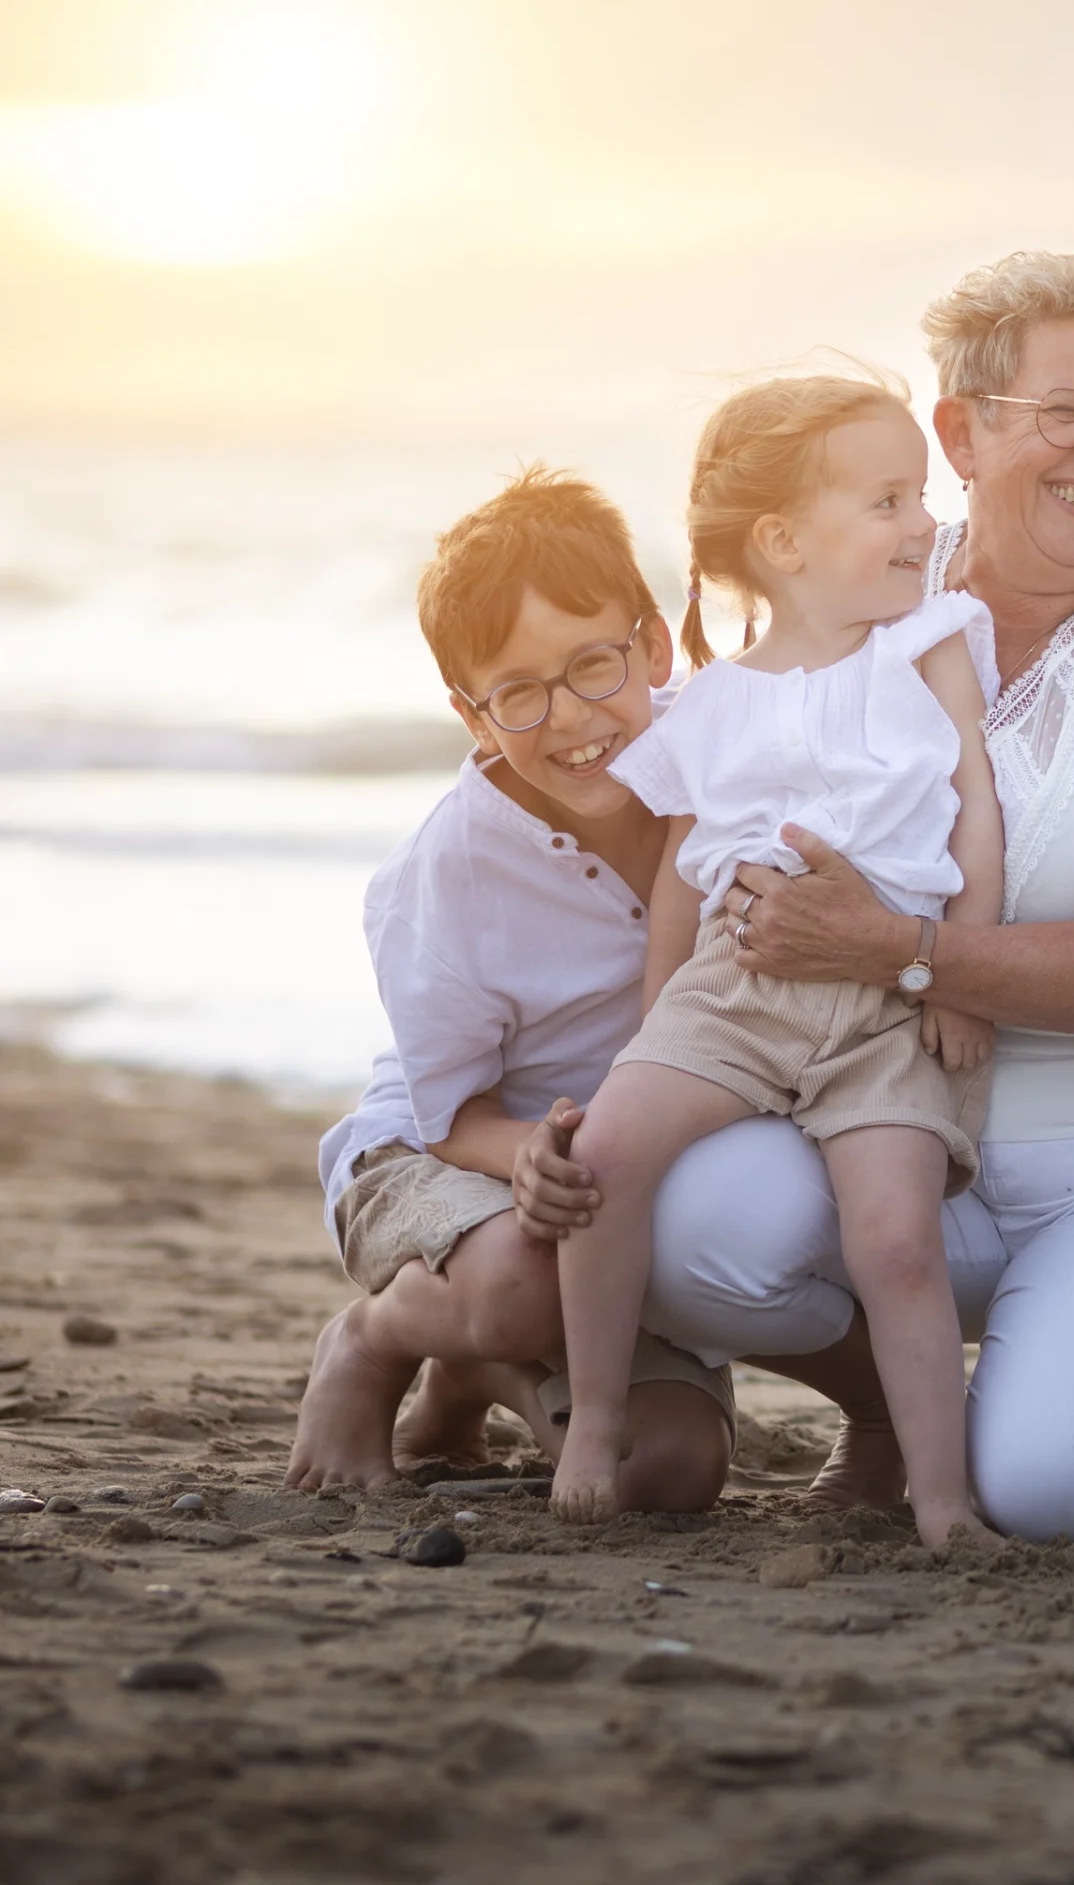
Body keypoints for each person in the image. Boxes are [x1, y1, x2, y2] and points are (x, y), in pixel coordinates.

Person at [637, 253, 1074, 1545]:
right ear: (961, 430)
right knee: (693, 1234)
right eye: (1066, 415)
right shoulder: (864, 592)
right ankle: (904, 1408)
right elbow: (711, 795)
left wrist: (894, 949)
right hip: (893, 1119)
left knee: (1065, 1495)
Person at [549, 377, 1003, 1536]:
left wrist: (962, 971)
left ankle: (940, 1495)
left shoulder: (930, 643)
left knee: (896, 1238)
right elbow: (679, 880)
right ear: (784, 542)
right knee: (605, 1154)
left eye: (925, 496)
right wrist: (658, 1028)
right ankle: (596, 1416)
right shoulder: (708, 705)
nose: (925, 524)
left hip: (890, 1008)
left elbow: (976, 812)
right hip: (734, 991)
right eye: (890, 500)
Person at [285, 470, 732, 1507]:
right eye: (519, 692)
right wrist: (525, 1155)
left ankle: (475, 1372)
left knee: (668, 1473)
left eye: (593, 665)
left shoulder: (726, 761)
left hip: (605, 1174)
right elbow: (448, 1115)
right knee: (522, 1281)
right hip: (437, 1151)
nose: (570, 716)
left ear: (655, 646)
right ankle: (379, 1333)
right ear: (472, 715)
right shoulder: (443, 874)